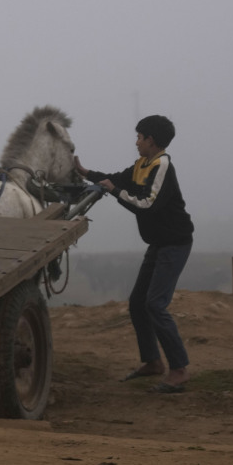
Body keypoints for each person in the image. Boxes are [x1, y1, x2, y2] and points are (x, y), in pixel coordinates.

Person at [74, 115, 195, 393]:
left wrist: (115, 192)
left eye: (139, 137)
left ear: (151, 140)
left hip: (175, 243)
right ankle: (153, 362)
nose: (136, 141)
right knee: (138, 303)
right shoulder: (143, 164)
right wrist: (85, 173)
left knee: (155, 304)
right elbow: (116, 179)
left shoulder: (162, 166)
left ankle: (179, 369)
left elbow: (147, 205)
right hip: (158, 243)